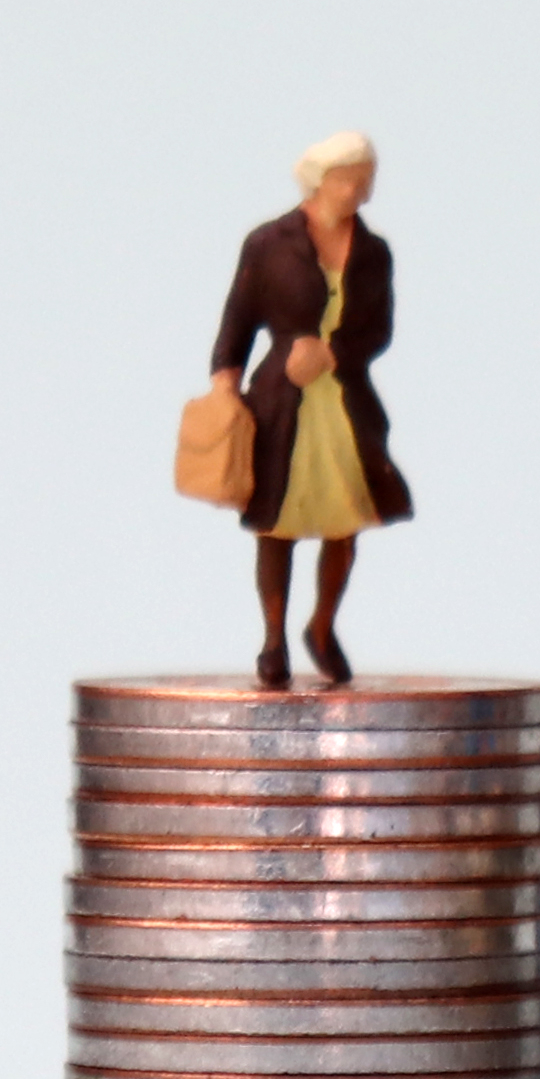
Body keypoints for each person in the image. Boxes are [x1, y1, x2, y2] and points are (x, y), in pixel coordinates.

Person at [209, 131, 413, 688]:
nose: (361, 191)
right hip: (282, 401)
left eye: (367, 180)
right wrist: (224, 381)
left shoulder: (374, 253)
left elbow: (378, 331)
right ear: (321, 180)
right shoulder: (268, 244)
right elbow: (238, 317)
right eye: (350, 179)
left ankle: (322, 625)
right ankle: (273, 639)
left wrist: (332, 353)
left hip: (345, 403)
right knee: (277, 522)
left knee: (345, 519)